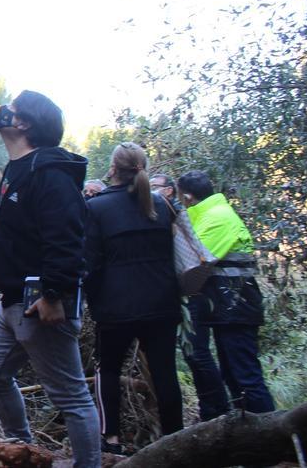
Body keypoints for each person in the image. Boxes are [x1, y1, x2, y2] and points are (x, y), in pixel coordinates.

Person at [0, 91, 100, 468]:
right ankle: (20, 444)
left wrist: (53, 293)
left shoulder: (52, 176)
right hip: (12, 299)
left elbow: (68, 240)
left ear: (23, 123)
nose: (2, 112)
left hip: (40, 302)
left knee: (71, 396)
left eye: (9, 110)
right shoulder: (19, 169)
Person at [85, 143, 183, 455]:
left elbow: (90, 261)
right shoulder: (161, 205)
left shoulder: (97, 208)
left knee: (108, 369)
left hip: (115, 306)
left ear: (113, 169)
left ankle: (111, 441)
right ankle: (175, 442)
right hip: (162, 303)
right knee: (165, 371)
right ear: (142, 169)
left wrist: (92, 298)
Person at [176, 170, 275, 419]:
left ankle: (269, 439)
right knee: (234, 373)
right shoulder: (209, 214)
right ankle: (248, 437)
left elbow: (197, 260)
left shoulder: (217, 218)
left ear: (187, 196)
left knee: (244, 374)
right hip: (228, 307)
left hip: (237, 305)